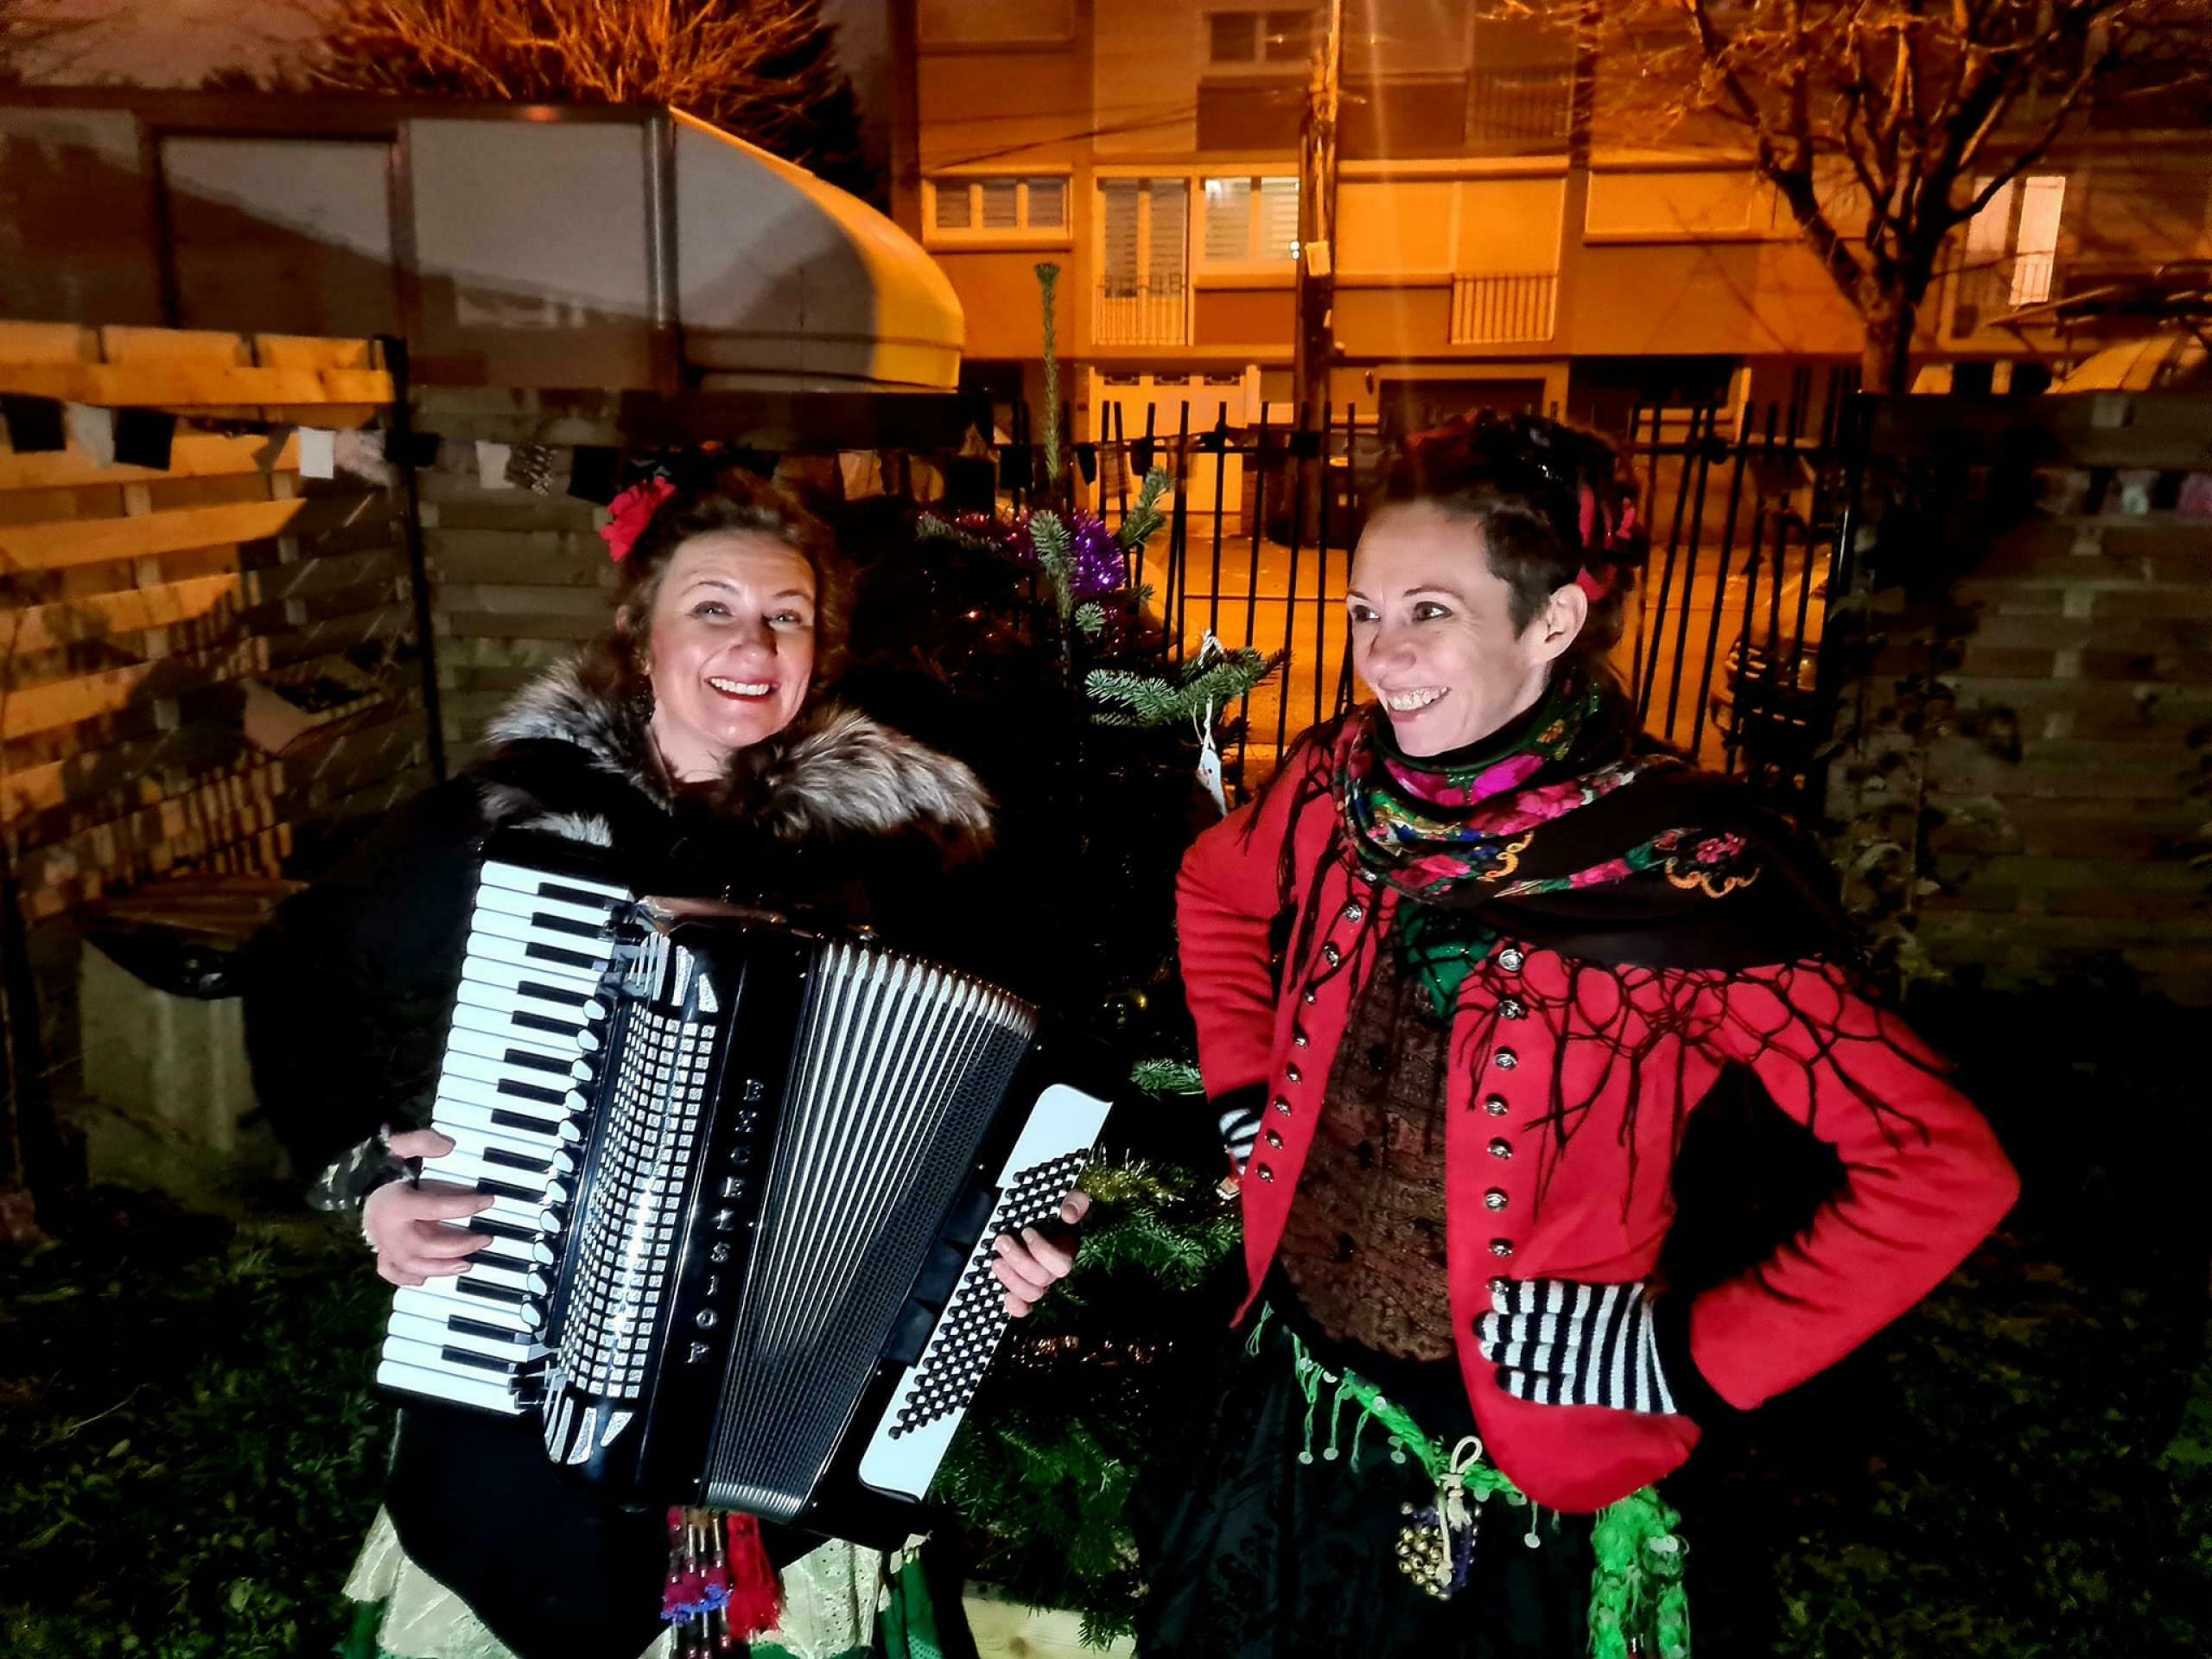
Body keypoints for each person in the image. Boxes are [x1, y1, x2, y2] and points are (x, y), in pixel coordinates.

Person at [1144, 412, 2019, 1658]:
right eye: (1362, 612)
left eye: (1431, 611)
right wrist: (1244, 1087)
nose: (1381, 659)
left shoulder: (1689, 873)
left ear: (1552, 622)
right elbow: (1217, 894)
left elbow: (1943, 1168)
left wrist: (1687, 1358)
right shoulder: (1340, 784)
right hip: (1291, 1396)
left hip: (1519, 1457)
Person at [245, 473, 1083, 1659]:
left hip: (792, 1432)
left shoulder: (900, 852)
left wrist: (1014, 1235)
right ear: (641, 632)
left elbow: (974, 1119)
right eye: (713, 607)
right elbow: (300, 974)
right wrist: (367, 1181)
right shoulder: (519, 823)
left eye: (786, 614)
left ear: (820, 647)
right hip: (520, 1398)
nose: (752, 643)